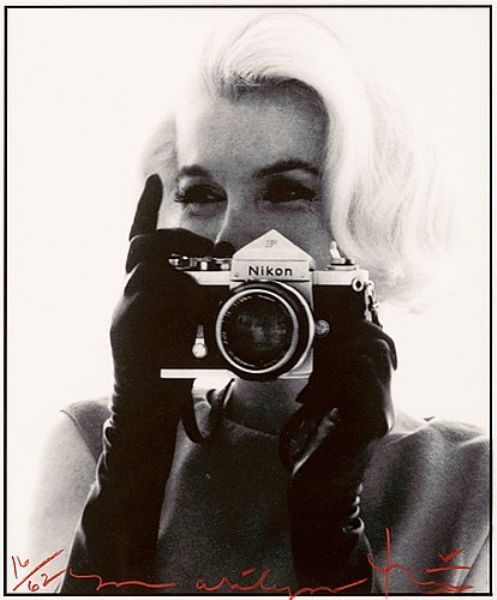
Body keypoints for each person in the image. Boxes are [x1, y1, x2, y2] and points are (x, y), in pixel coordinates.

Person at [28, 12, 489, 595]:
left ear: (369, 212)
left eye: (286, 190)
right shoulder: (89, 442)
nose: (231, 235)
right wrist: (135, 453)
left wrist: (329, 527)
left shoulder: (472, 483)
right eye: (201, 194)